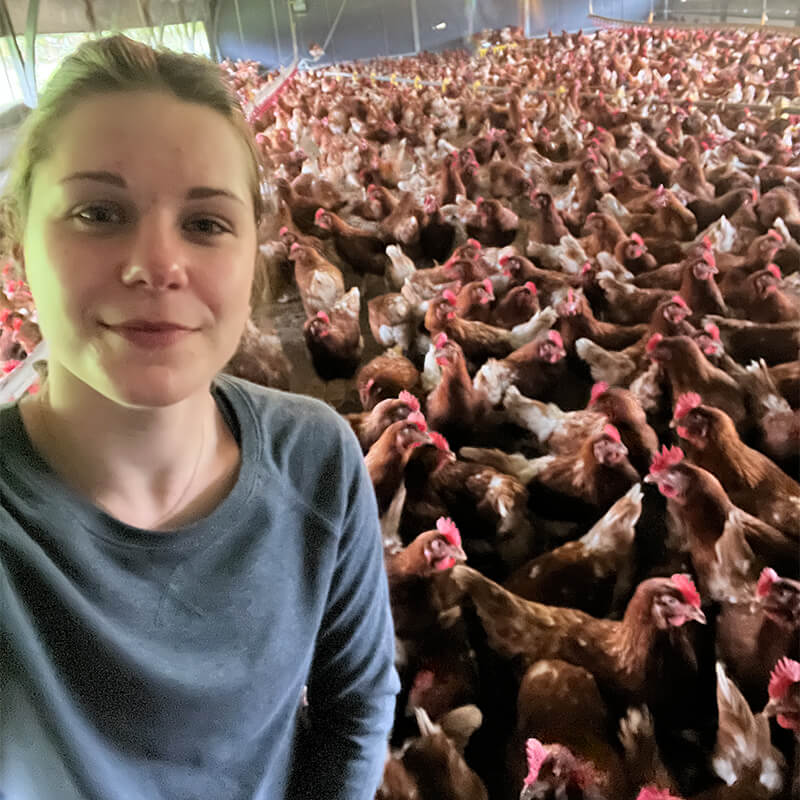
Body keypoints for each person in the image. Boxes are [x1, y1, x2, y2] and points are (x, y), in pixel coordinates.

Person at [0, 34, 399, 800]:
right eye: (97, 212)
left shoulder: (317, 457)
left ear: (255, 253)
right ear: (18, 244)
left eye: (208, 223)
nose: (157, 263)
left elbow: (357, 704)